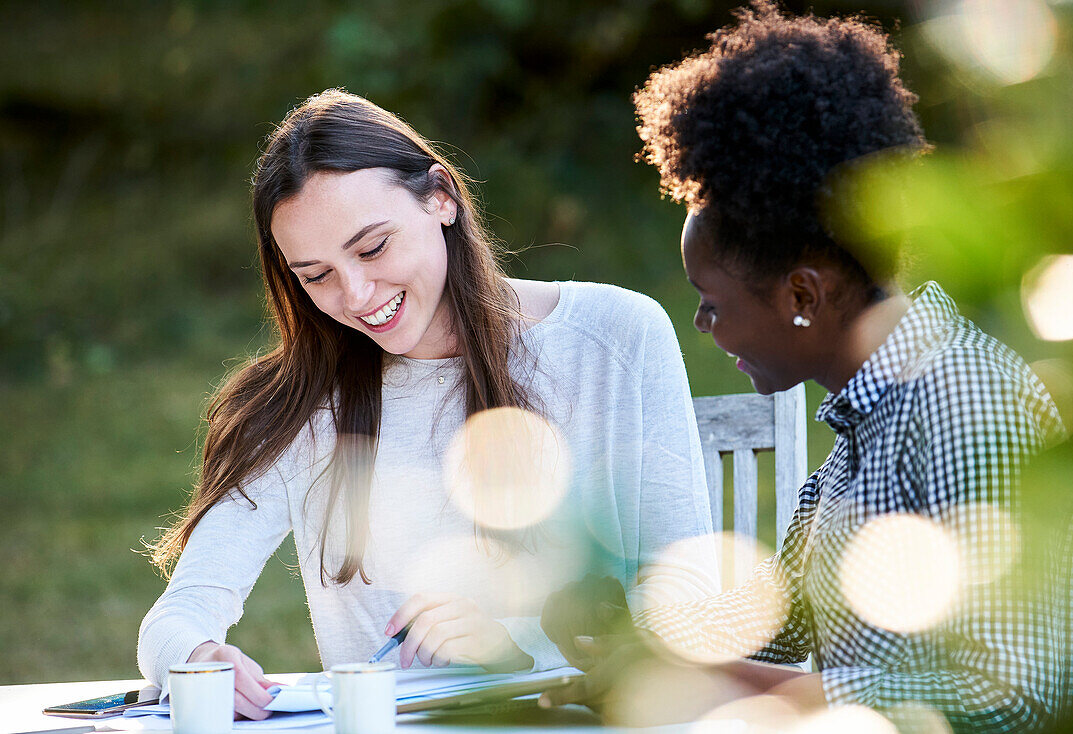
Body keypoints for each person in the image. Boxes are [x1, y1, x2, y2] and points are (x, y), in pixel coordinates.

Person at [539, 2, 1073, 731]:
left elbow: (1007, 691)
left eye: (712, 302)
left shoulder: (964, 395)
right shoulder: (855, 438)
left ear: (803, 293)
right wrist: (633, 636)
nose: (703, 325)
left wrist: (754, 690)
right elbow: (780, 627)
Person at [137, 89, 719, 720]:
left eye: (372, 248)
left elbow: (685, 601)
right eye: (315, 275)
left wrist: (509, 643)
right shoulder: (301, 402)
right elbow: (180, 612)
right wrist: (194, 654)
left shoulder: (614, 336)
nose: (356, 295)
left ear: (441, 197)